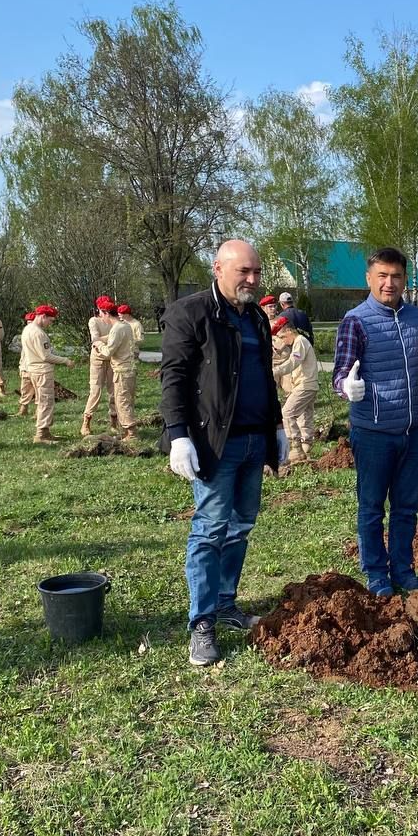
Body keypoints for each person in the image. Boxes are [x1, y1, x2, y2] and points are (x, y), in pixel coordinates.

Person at [159, 239, 289, 666]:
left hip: (255, 440)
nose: (252, 280)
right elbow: (173, 377)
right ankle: (202, 623)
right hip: (216, 443)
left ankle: (226, 602)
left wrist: (278, 427)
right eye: (243, 273)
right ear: (218, 268)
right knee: (211, 528)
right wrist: (178, 434)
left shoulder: (253, 317)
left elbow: (265, 379)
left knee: (241, 525)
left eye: (256, 272)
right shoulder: (190, 313)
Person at [332, 247, 418, 597]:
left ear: (404, 279)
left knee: (406, 507)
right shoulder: (356, 320)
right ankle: (377, 575)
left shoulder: (416, 316)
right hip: (372, 433)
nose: (389, 283)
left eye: (396, 276)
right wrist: (346, 387)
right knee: (371, 508)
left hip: (410, 431)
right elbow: (340, 372)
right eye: (382, 276)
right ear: (369, 278)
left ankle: (403, 569)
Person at [272, 316, 320, 465]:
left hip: (305, 385)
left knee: (287, 413)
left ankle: (296, 447)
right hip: (309, 385)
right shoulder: (300, 342)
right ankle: (306, 447)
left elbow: (294, 362)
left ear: (288, 331)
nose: (282, 341)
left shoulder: (300, 342)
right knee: (305, 415)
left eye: (282, 336)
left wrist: (275, 371)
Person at [23, 305, 74, 444]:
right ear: (43, 316)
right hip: (42, 371)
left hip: (33, 369)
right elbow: (46, 356)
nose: (50, 324)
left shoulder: (27, 329)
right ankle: (41, 435)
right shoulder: (39, 333)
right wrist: (65, 360)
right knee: (46, 401)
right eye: (50, 321)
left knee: (42, 400)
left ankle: (45, 432)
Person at [95, 309, 138, 440]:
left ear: (107, 313)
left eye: (102, 314)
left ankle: (131, 433)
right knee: (127, 400)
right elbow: (116, 338)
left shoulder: (116, 328)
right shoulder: (125, 325)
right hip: (129, 369)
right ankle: (126, 431)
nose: (101, 318)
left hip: (121, 371)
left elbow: (108, 352)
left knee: (122, 401)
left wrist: (98, 346)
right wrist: (102, 339)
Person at [81, 295, 119, 437]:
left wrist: (110, 338)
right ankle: (86, 421)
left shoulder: (113, 320)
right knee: (95, 391)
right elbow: (95, 339)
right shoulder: (94, 321)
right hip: (97, 359)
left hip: (111, 358)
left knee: (113, 390)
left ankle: (114, 422)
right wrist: (112, 336)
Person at [16, 311, 37, 417]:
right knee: (25, 388)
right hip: (25, 366)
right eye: (27, 322)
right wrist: (21, 366)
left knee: (38, 390)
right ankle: (23, 409)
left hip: (36, 367)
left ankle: (38, 411)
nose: (29, 325)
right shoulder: (25, 334)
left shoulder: (39, 335)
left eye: (31, 322)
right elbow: (23, 354)